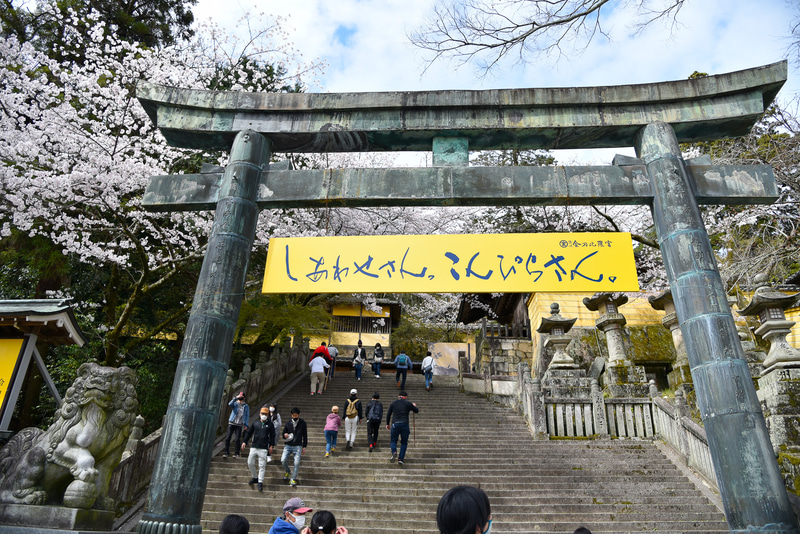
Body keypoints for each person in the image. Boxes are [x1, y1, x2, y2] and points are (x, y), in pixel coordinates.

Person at [242, 406, 275, 492]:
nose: (264, 415)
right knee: (250, 462)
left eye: (265, 414)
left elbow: (272, 435)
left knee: (262, 465)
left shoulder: (270, 425)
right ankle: (255, 477)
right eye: (262, 414)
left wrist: (271, 446)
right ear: (260, 414)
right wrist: (245, 441)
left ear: (268, 415)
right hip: (254, 446)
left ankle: (260, 481)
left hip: (263, 448)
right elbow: (249, 432)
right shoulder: (255, 423)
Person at [385, 390, 418, 465]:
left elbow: (388, 414)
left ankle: (394, 452)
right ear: (406, 397)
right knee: (404, 442)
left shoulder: (393, 403)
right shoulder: (408, 403)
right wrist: (414, 406)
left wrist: (387, 423)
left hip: (395, 424)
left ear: (398, 396)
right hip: (404, 424)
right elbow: (416, 411)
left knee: (393, 440)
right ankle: (401, 458)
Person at [281, 407, 308, 487]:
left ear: (298, 415)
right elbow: (283, 433)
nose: (294, 417)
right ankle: (288, 471)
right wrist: (285, 435)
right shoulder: (288, 423)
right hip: (288, 444)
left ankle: (293, 478)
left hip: (298, 445)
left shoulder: (303, 423)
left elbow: (305, 435)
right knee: (283, 460)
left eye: (296, 415)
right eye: (293, 415)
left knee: (296, 462)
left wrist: (304, 446)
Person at [224, 391, 249, 459]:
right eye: (239, 395)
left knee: (237, 439)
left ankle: (236, 453)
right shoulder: (235, 404)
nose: (240, 397)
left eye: (241, 396)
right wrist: (235, 398)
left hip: (239, 424)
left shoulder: (246, 406)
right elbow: (229, 404)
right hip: (232, 422)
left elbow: (247, 416)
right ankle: (226, 452)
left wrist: (246, 424)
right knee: (228, 438)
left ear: (244, 398)